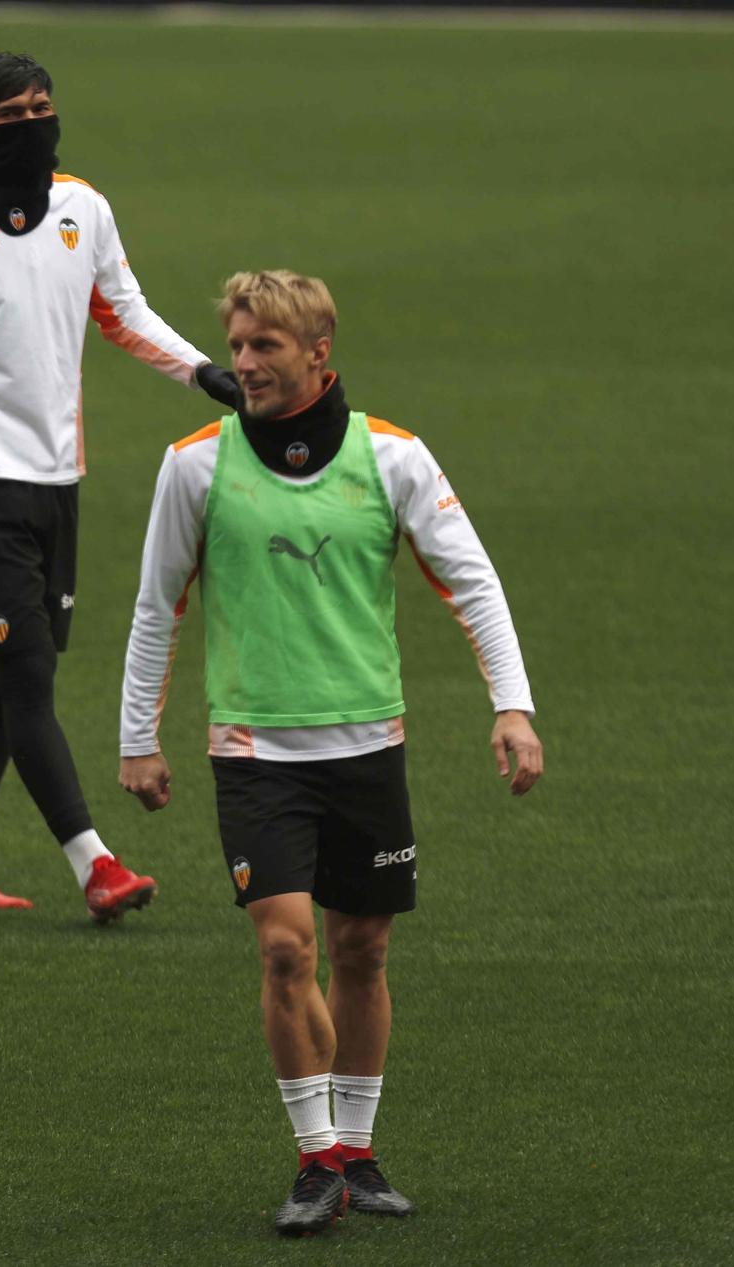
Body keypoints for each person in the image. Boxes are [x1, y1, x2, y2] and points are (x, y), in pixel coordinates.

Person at [118, 270, 543, 1235]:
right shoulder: (194, 464)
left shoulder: (393, 457)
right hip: (254, 752)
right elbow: (157, 607)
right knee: (283, 948)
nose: (243, 363)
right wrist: (136, 738)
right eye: (236, 345)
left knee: (362, 947)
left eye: (265, 346)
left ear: (318, 353)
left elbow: (472, 583)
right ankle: (315, 1160)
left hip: (368, 748)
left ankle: (358, 1149)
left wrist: (510, 707)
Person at [0, 51, 241, 916]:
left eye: (44, 106)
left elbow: (124, 313)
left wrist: (205, 374)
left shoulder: (85, 209)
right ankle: (95, 864)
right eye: (15, 110)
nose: (35, 121)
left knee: (5, 674)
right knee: (27, 671)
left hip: (58, 481)